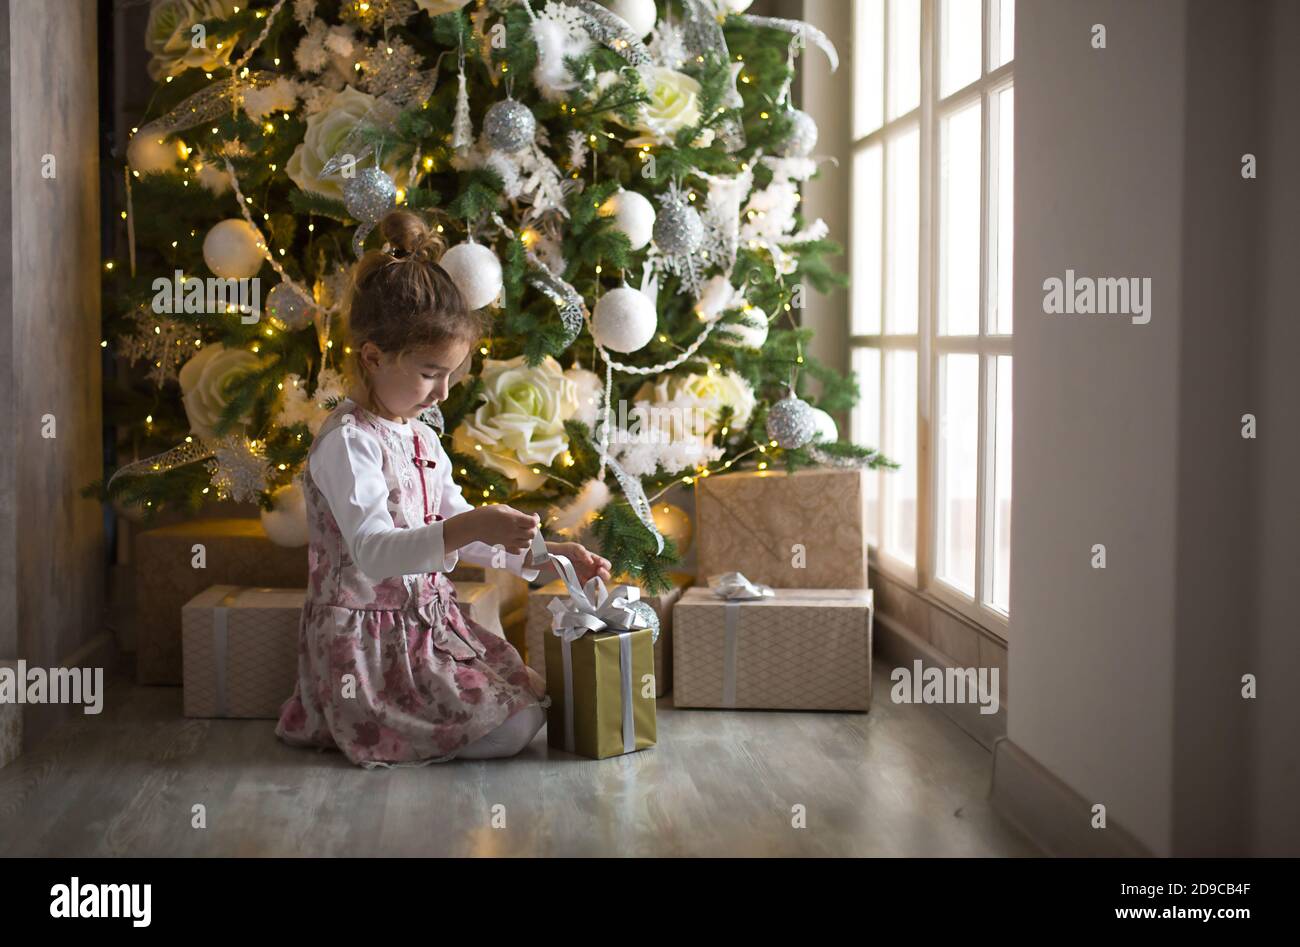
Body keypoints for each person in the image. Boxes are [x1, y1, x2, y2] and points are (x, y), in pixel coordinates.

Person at [274, 210, 611, 769]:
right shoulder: (349, 442)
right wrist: (471, 524)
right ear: (374, 357)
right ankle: (368, 722)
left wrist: (549, 557)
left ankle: (443, 715)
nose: (443, 392)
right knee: (517, 724)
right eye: (431, 372)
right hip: (371, 643)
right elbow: (374, 551)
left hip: (428, 623)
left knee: (528, 690)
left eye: (452, 375)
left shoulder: (421, 435)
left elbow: (456, 529)